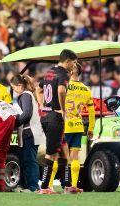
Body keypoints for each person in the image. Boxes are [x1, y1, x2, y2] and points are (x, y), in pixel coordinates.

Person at [35, 49, 77, 194]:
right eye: (74, 62)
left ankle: (68, 185)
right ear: (68, 61)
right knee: (51, 153)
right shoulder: (64, 73)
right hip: (55, 118)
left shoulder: (49, 72)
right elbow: (60, 91)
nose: (74, 65)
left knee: (64, 150)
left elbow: (38, 89)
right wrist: (62, 110)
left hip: (46, 116)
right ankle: (45, 187)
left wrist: (42, 106)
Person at [63, 63, 95, 193]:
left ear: (70, 72)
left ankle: (49, 186)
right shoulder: (86, 89)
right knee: (74, 157)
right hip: (78, 125)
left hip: (64, 125)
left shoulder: (64, 86)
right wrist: (91, 128)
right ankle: (74, 185)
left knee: (56, 156)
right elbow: (91, 111)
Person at [10, 74, 46, 193]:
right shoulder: (27, 95)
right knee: (26, 160)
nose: (14, 91)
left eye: (14, 88)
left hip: (30, 133)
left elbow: (26, 114)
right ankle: (27, 186)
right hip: (30, 133)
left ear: (20, 86)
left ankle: (33, 187)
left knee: (30, 160)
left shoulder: (25, 95)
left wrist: (14, 122)